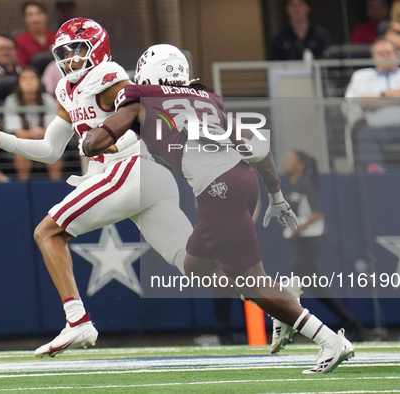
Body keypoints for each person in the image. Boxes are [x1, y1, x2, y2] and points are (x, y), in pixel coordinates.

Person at [82, 44, 355, 374]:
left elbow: (95, 143)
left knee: (251, 280)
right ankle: (282, 300)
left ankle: (328, 339)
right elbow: (253, 144)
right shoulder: (205, 98)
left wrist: (90, 134)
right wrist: (276, 196)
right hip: (244, 179)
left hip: (218, 190)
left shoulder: (139, 98)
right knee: (196, 267)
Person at [0, 18, 193, 357]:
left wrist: (116, 140)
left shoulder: (109, 75)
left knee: (48, 233)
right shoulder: (65, 90)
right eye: (64, 52)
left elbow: (141, 114)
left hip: (129, 167)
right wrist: (1, 140)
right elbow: (49, 150)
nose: (70, 59)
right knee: (197, 265)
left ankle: (78, 320)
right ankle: (282, 298)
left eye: (77, 50)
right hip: (133, 175)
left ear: (97, 49)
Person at [282, 150, 364, 341]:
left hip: (308, 243)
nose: (285, 162)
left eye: (289, 159)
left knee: (295, 287)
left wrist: (297, 228)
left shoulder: (305, 183)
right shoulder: (293, 185)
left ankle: (291, 329)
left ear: (300, 165)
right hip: (300, 243)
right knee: (318, 289)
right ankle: (353, 325)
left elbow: (316, 212)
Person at [344, 38, 400, 172]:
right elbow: (365, 102)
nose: (385, 57)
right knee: (364, 133)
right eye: (381, 54)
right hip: (378, 128)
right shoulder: (364, 78)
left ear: (397, 55)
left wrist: (382, 96)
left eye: (388, 53)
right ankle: (377, 175)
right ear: (373, 58)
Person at [3, 68, 59, 180]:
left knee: (55, 148)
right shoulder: (11, 101)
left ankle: (55, 183)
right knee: (21, 150)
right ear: (18, 83)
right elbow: (17, 132)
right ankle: (23, 185)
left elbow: (52, 129)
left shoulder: (47, 100)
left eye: (32, 78)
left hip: (44, 140)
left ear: (39, 82)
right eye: (24, 78)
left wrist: (41, 134)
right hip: (22, 140)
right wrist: (33, 134)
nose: (29, 81)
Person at [15, 2, 56, 68]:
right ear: (24, 19)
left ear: (46, 16)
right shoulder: (19, 40)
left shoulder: (57, 37)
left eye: (39, 13)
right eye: (30, 15)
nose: (35, 19)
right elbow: (21, 66)